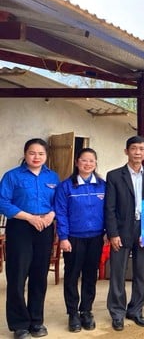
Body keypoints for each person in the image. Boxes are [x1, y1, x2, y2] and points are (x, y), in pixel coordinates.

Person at [0, 138, 59, 339]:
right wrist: (30, 217)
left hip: (45, 228)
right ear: (25, 154)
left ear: (46, 156)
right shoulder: (12, 176)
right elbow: (3, 202)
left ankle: (36, 321)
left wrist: (51, 215)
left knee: (39, 276)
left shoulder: (52, 176)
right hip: (20, 228)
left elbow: (58, 202)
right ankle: (19, 325)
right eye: (32, 153)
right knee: (17, 276)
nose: (36, 157)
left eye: (41, 154)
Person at [104, 136, 144, 331]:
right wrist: (112, 233)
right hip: (121, 230)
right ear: (126, 151)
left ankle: (136, 310)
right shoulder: (114, 176)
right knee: (118, 272)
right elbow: (109, 208)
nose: (137, 152)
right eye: (133, 149)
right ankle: (117, 312)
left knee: (140, 272)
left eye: (141, 149)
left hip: (143, 229)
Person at [54, 148, 105, 333]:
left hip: (96, 237)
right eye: (84, 160)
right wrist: (64, 237)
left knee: (90, 276)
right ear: (77, 162)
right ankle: (73, 313)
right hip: (74, 238)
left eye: (92, 161)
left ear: (96, 163)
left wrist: (107, 232)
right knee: (72, 275)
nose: (88, 164)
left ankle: (86, 311)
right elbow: (60, 213)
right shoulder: (66, 186)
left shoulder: (102, 185)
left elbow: (108, 210)